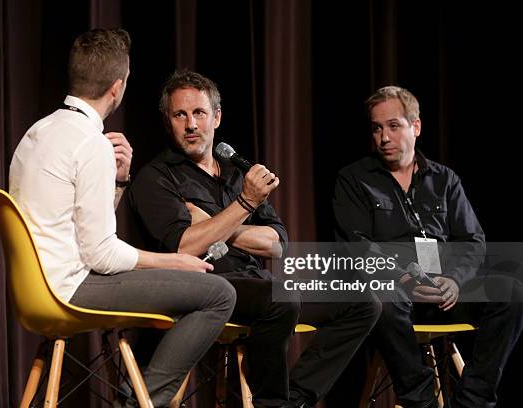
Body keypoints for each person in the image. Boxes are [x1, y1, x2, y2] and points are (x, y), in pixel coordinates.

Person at [8, 29, 236, 408]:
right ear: (118, 87)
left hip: (38, 286)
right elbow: (102, 256)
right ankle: (139, 403)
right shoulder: (89, 142)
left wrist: (117, 183)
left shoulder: (40, 131)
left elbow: (81, 229)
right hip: (70, 287)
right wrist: (175, 261)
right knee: (218, 294)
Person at [128, 69, 380, 408]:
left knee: (363, 302)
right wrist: (244, 205)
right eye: (180, 115)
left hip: (257, 282)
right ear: (167, 121)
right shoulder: (156, 177)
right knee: (281, 299)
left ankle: (295, 399)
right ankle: (271, 403)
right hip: (206, 288)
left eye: (199, 113)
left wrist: (221, 226)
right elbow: (185, 244)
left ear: (216, 117)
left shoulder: (236, 174)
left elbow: (277, 244)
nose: (191, 125)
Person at [333, 85, 523, 408]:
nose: (384, 138)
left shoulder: (444, 179)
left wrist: (456, 279)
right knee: (383, 300)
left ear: (415, 127)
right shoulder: (354, 179)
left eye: (393, 126)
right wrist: (405, 280)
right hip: (396, 290)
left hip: (443, 289)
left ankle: (473, 400)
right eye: (377, 128)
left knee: (511, 292)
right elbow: (357, 248)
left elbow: (472, 240)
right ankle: (421, 401)